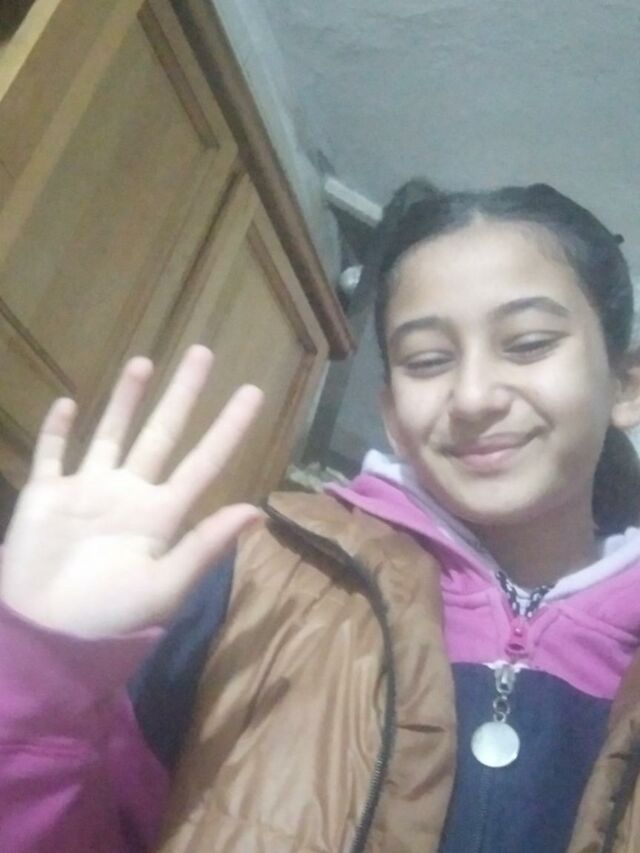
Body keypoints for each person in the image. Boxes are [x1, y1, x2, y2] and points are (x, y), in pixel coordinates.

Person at [2, 181, 640, 853]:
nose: (474, 396)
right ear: (391, 414)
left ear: (625, 386)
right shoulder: (258, 580)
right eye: (428, 361)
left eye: (529, 343)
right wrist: (38, 683)